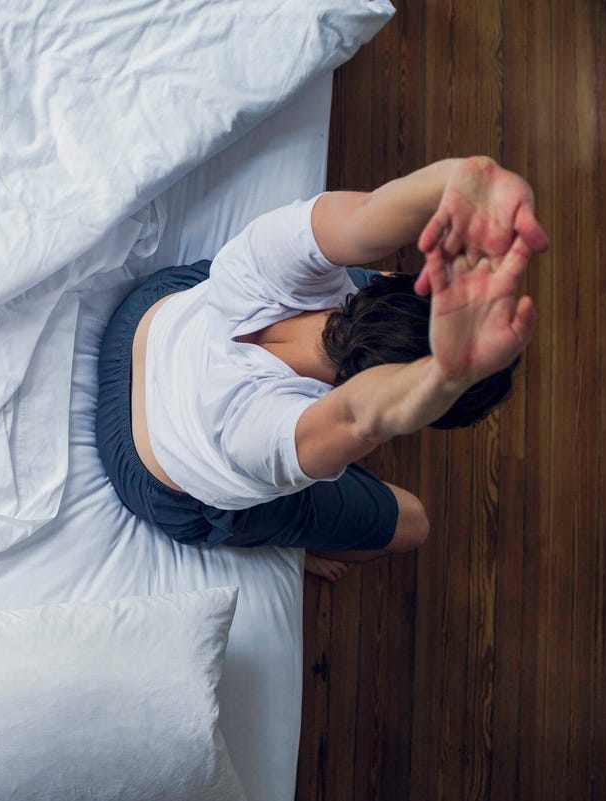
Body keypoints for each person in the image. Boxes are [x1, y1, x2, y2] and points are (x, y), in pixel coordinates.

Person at [95, 156, 548, 580]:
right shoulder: (259, 428)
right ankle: (296, 540)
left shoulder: (255, 260)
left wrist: (469, 177)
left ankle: (391, 317)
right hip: (149, 471)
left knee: (355, 272)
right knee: (412, 524)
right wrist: (449, 374)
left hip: (149, 320)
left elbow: (371, 211)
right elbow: (358, 417)